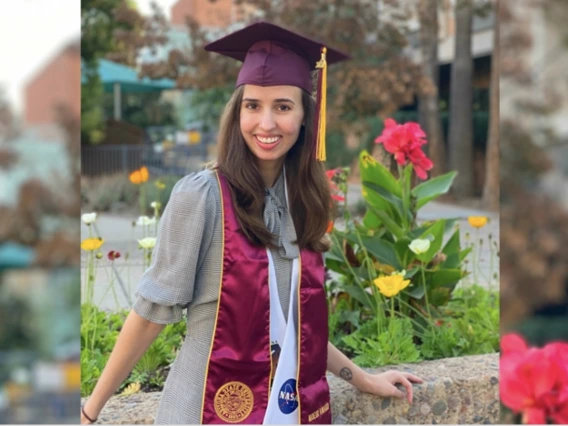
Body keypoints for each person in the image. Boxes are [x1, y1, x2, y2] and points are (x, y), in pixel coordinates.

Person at [80, 21, 423, 425]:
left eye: (282, 106)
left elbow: (296, 326)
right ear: (237, 111)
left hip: (287, 411)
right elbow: (150, 313)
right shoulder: (202, 196)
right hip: (204, 408)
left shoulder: (300, 200)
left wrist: (362, 378)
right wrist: (90, 411)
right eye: (253, 106)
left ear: (304, 116)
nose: (266, 123)